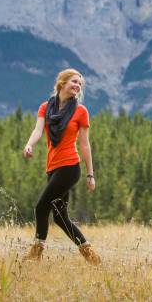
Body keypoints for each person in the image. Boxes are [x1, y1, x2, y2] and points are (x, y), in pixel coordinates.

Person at [22, 68, 101, 264]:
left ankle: (36, 252)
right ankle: (90, 255)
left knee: (41, 207)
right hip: (53, 167)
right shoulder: (45, 108)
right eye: (74, 81)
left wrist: (90, 174)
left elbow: (85, 144)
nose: (78, 86)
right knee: (59, 216)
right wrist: (29, 144)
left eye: (80, 84)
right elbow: (38, 130)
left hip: (70, 167)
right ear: (62, 83)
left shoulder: (80, 111)